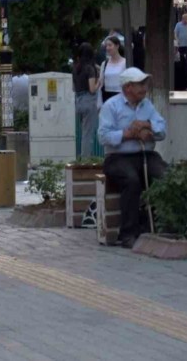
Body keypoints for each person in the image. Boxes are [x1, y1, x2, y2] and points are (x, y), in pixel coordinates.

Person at [98, 67, 167, 249]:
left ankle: (158, 225)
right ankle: (128, 233)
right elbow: (103, 136)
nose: (144, 88)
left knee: (164, 175)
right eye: (140, 84)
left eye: (145, 84)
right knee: (131, 181)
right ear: (128, 87)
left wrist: (147, 126)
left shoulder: (147, 105)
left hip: (145, 153)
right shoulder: (111, 106)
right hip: (118, 157)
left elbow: (162, 129)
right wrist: (128, 134)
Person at [73, 43, 99, 158]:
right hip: (89, 101)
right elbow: (92, 89)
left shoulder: (75, 68)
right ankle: (86, 160)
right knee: (88, 134)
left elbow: (73, 87)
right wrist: (100, 82)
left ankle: (82, 156)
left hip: (78, 101)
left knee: (82, 133)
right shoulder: (90, 68)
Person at [97, 36, 127, 106]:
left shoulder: (125, 62)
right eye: (106, 46)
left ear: (117, 46)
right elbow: (101, 82)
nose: (107, 48)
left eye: (110, 45)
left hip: (121, 96)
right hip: (107, 97)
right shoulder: (104, 64)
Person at [174, 13, 187, 78]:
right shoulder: (178, 25)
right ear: (183, 19)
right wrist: (177, 40)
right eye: (186, 20)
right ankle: (181, 67)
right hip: (180, 44)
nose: (186, 21)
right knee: (180, 57)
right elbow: (175, 33)